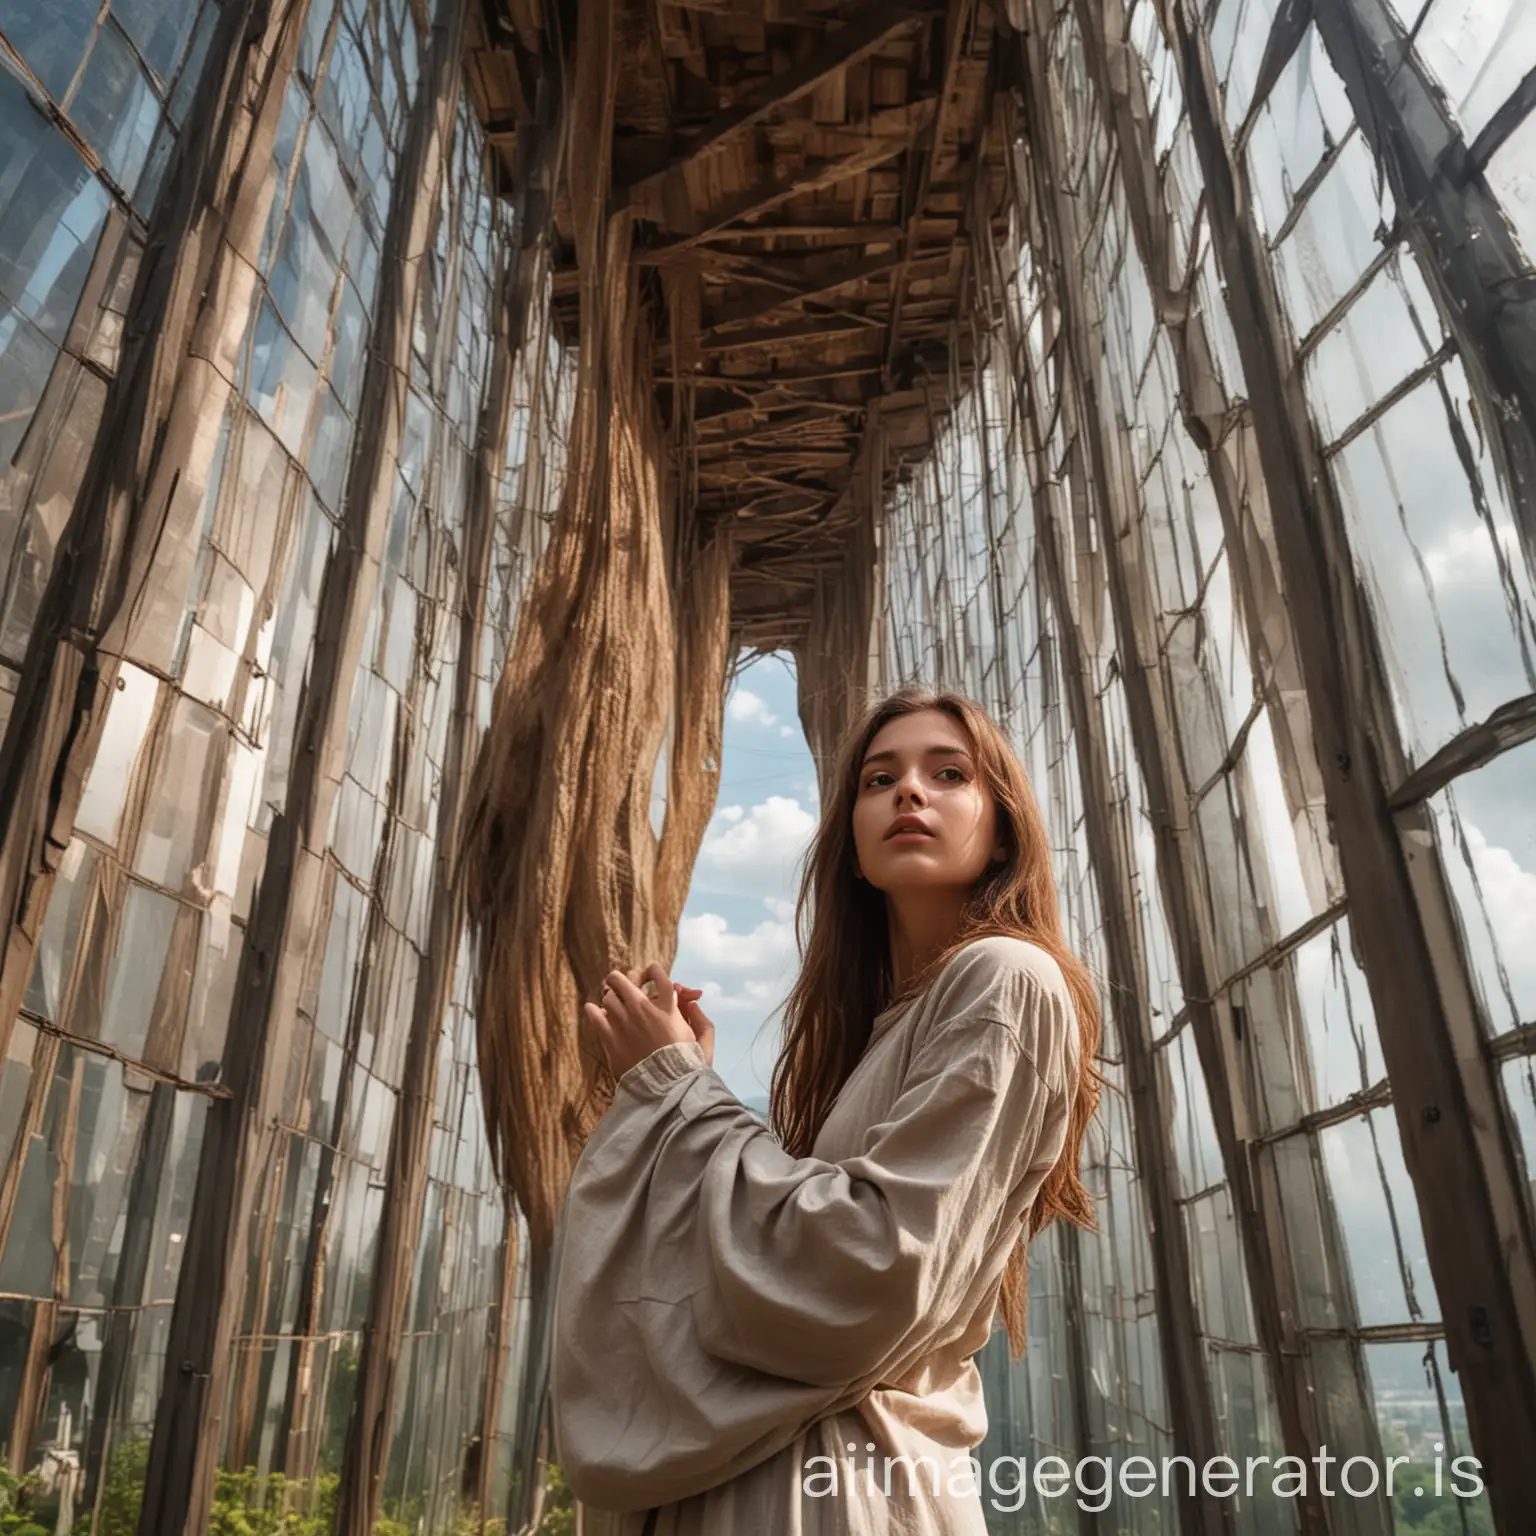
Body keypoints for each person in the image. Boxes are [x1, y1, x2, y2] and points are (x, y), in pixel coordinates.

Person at [550, 685, 1103, 1534]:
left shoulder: (1005, 978)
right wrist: (693, 1081)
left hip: (850, 1489)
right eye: (878, 780)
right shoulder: (888, 1032)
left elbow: (871, 1267)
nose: (908, 792)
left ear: (1003, 832)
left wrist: (675, 1090)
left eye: (948, 773)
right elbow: (803, 1237)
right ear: (850, 846)